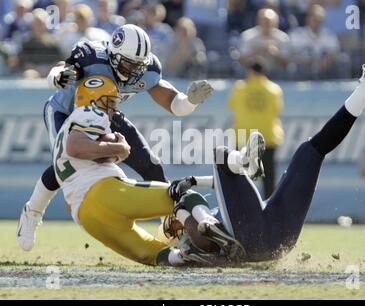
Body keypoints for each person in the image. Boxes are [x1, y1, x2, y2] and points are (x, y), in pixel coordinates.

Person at [167, 42, 365, 263]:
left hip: (277, 239)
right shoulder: (187, 229)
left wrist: (194, 179)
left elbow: (220, 187)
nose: (172, 227)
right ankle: (245, 162)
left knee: (312, 150)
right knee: (218, 157)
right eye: (170, 228)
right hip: (252, 235)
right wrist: (180, 210)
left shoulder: (220, 214)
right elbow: (185, 229)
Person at [17, 24, 214, 252]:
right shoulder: (92, 57)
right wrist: (57, 76)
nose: (134, 71)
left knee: (151, 166)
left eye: (139, 65)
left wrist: (190, 100)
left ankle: (170, 226)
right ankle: (32, 212)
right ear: (113, 54)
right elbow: (61, 71)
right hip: (66, 111)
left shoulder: (146, 69)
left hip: (105, 113)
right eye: (129, 63)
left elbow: (175, 105)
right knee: (65, 165)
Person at [51, 75, 237, 266]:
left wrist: (113, 152)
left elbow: (78, 152)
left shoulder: (64, 131)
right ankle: (211, 227)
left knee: (157, 254)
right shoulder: (90, 113)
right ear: (92, 99)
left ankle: (190, 254)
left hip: (86, 217)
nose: (113, 108)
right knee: (183, 195)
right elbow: (75, 148)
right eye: (109, 102)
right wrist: (120, 149)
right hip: (104, 192)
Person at [227, 58, 284, 198]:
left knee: (240, 176)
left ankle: (240, 207)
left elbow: (231, 105)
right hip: (267, 138)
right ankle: (270, 210)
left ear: (250, 72)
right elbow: (277, 110)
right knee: (268, 178)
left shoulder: (240, 88)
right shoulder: (274, 89)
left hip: (243, 138)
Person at [238, 8, 290, 78]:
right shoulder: (248, 36)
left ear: (275, 23)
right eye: (263, 21)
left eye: (268, 21)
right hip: (252, 76)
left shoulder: (282, 38)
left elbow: (287, 63)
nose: (266, 24)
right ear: (258, 21)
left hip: (277, 77)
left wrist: (275, 53)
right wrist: (257, 51)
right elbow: (242, 60)